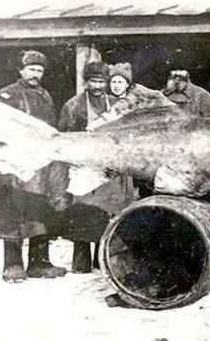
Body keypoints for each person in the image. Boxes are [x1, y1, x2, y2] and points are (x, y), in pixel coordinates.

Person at [0, 50, 68, 282]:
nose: (36, 74)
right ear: (21, 70)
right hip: (14, 165)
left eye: (40, 70)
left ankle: (39, 263)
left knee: (38, 211)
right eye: (31, 69)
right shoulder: (6, 94)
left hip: (38, 165)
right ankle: (12, 266)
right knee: (11, 212)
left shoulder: (45, 96)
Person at [58, 61, 138, 273]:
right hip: (85, 167)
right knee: (83, 212)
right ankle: (81, 262)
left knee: (108, 214)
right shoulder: (73, 105)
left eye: (102, 81)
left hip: (110, 170)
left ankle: (101, 260)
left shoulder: (114, 104)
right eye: (94, 81)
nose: (98, 86)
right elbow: (65, 138)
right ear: (86, 82)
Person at [162, 53, 210, 118]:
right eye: (173, 77)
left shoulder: (202, 95)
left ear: (188, 76)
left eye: (180, 77)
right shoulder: (162, 95)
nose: (177, 81)